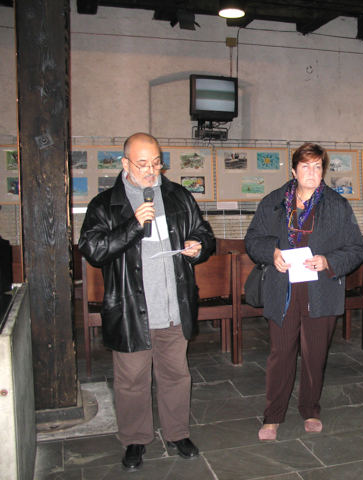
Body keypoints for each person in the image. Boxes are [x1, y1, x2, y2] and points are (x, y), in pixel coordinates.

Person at [78, 133, 214, 471]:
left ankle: (177, 433)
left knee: (176, 376)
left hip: (173, 308)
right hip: (131, 311)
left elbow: (204, 232)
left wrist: (198, 245)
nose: (152, 171)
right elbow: (93, 249)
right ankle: (135, 439)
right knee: (131, 382)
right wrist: (133, 226)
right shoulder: (105, 204)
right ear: (125, 163)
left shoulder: (178, 196)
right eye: (143, 164)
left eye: (156, 163)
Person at [244, 142, 363, 442]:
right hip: (282, 289)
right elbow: (253, 239)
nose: (312, 172)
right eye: (305, 166)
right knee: (280, 355)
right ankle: (273, 415)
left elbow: (356, 249)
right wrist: (271, 252)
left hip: (320, 289)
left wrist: (328, 261)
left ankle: (310, 409)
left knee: (315, 356)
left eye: (317, 167)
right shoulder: (273, 202)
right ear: (294, 170)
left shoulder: (337, 205)